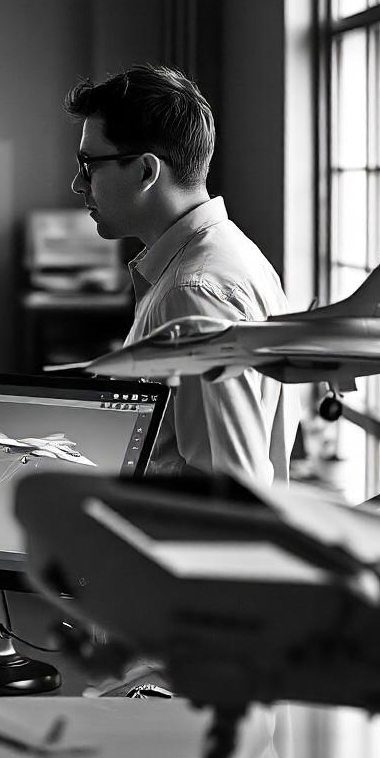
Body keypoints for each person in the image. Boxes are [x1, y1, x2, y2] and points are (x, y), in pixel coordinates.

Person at [65, 64, 299, 484]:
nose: (77, 185)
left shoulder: (193, 293)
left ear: (146, 171)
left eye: (88, 165)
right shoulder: (230, 255)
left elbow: (229, 490)